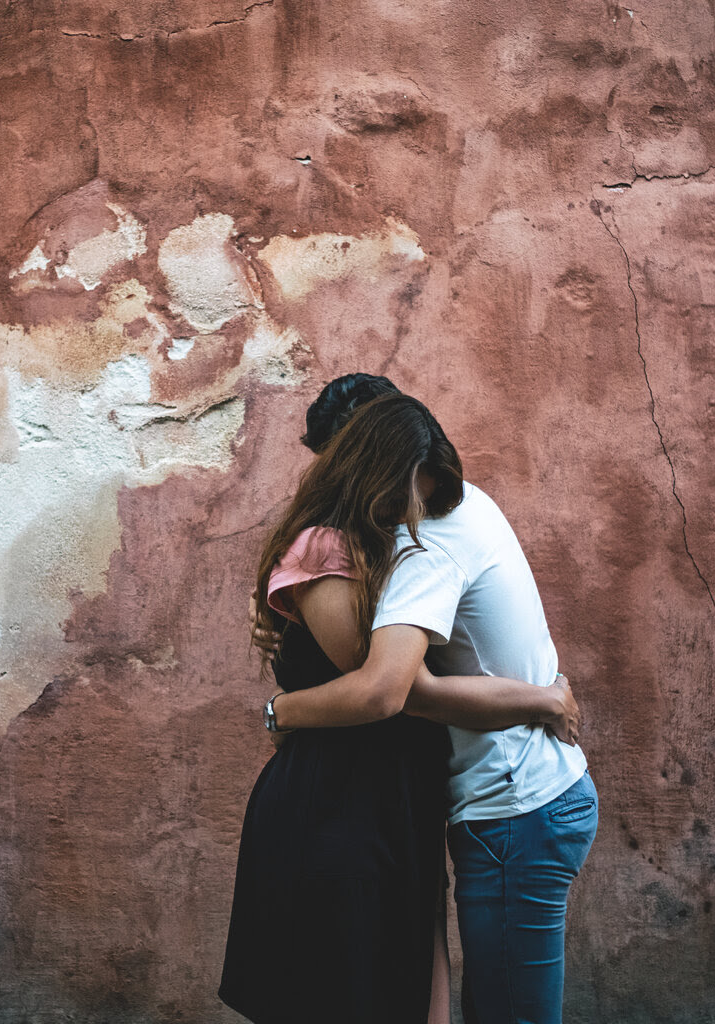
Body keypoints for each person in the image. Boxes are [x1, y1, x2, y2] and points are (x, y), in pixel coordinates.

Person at [219, 392, 580, 1024]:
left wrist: (283, 710)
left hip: (414, 801)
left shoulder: (418, 536)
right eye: (414, 489)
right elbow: (389, 690)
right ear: (373, 464)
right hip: (352, 807)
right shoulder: (332, 551)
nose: (421, 509)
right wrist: (542, 697)